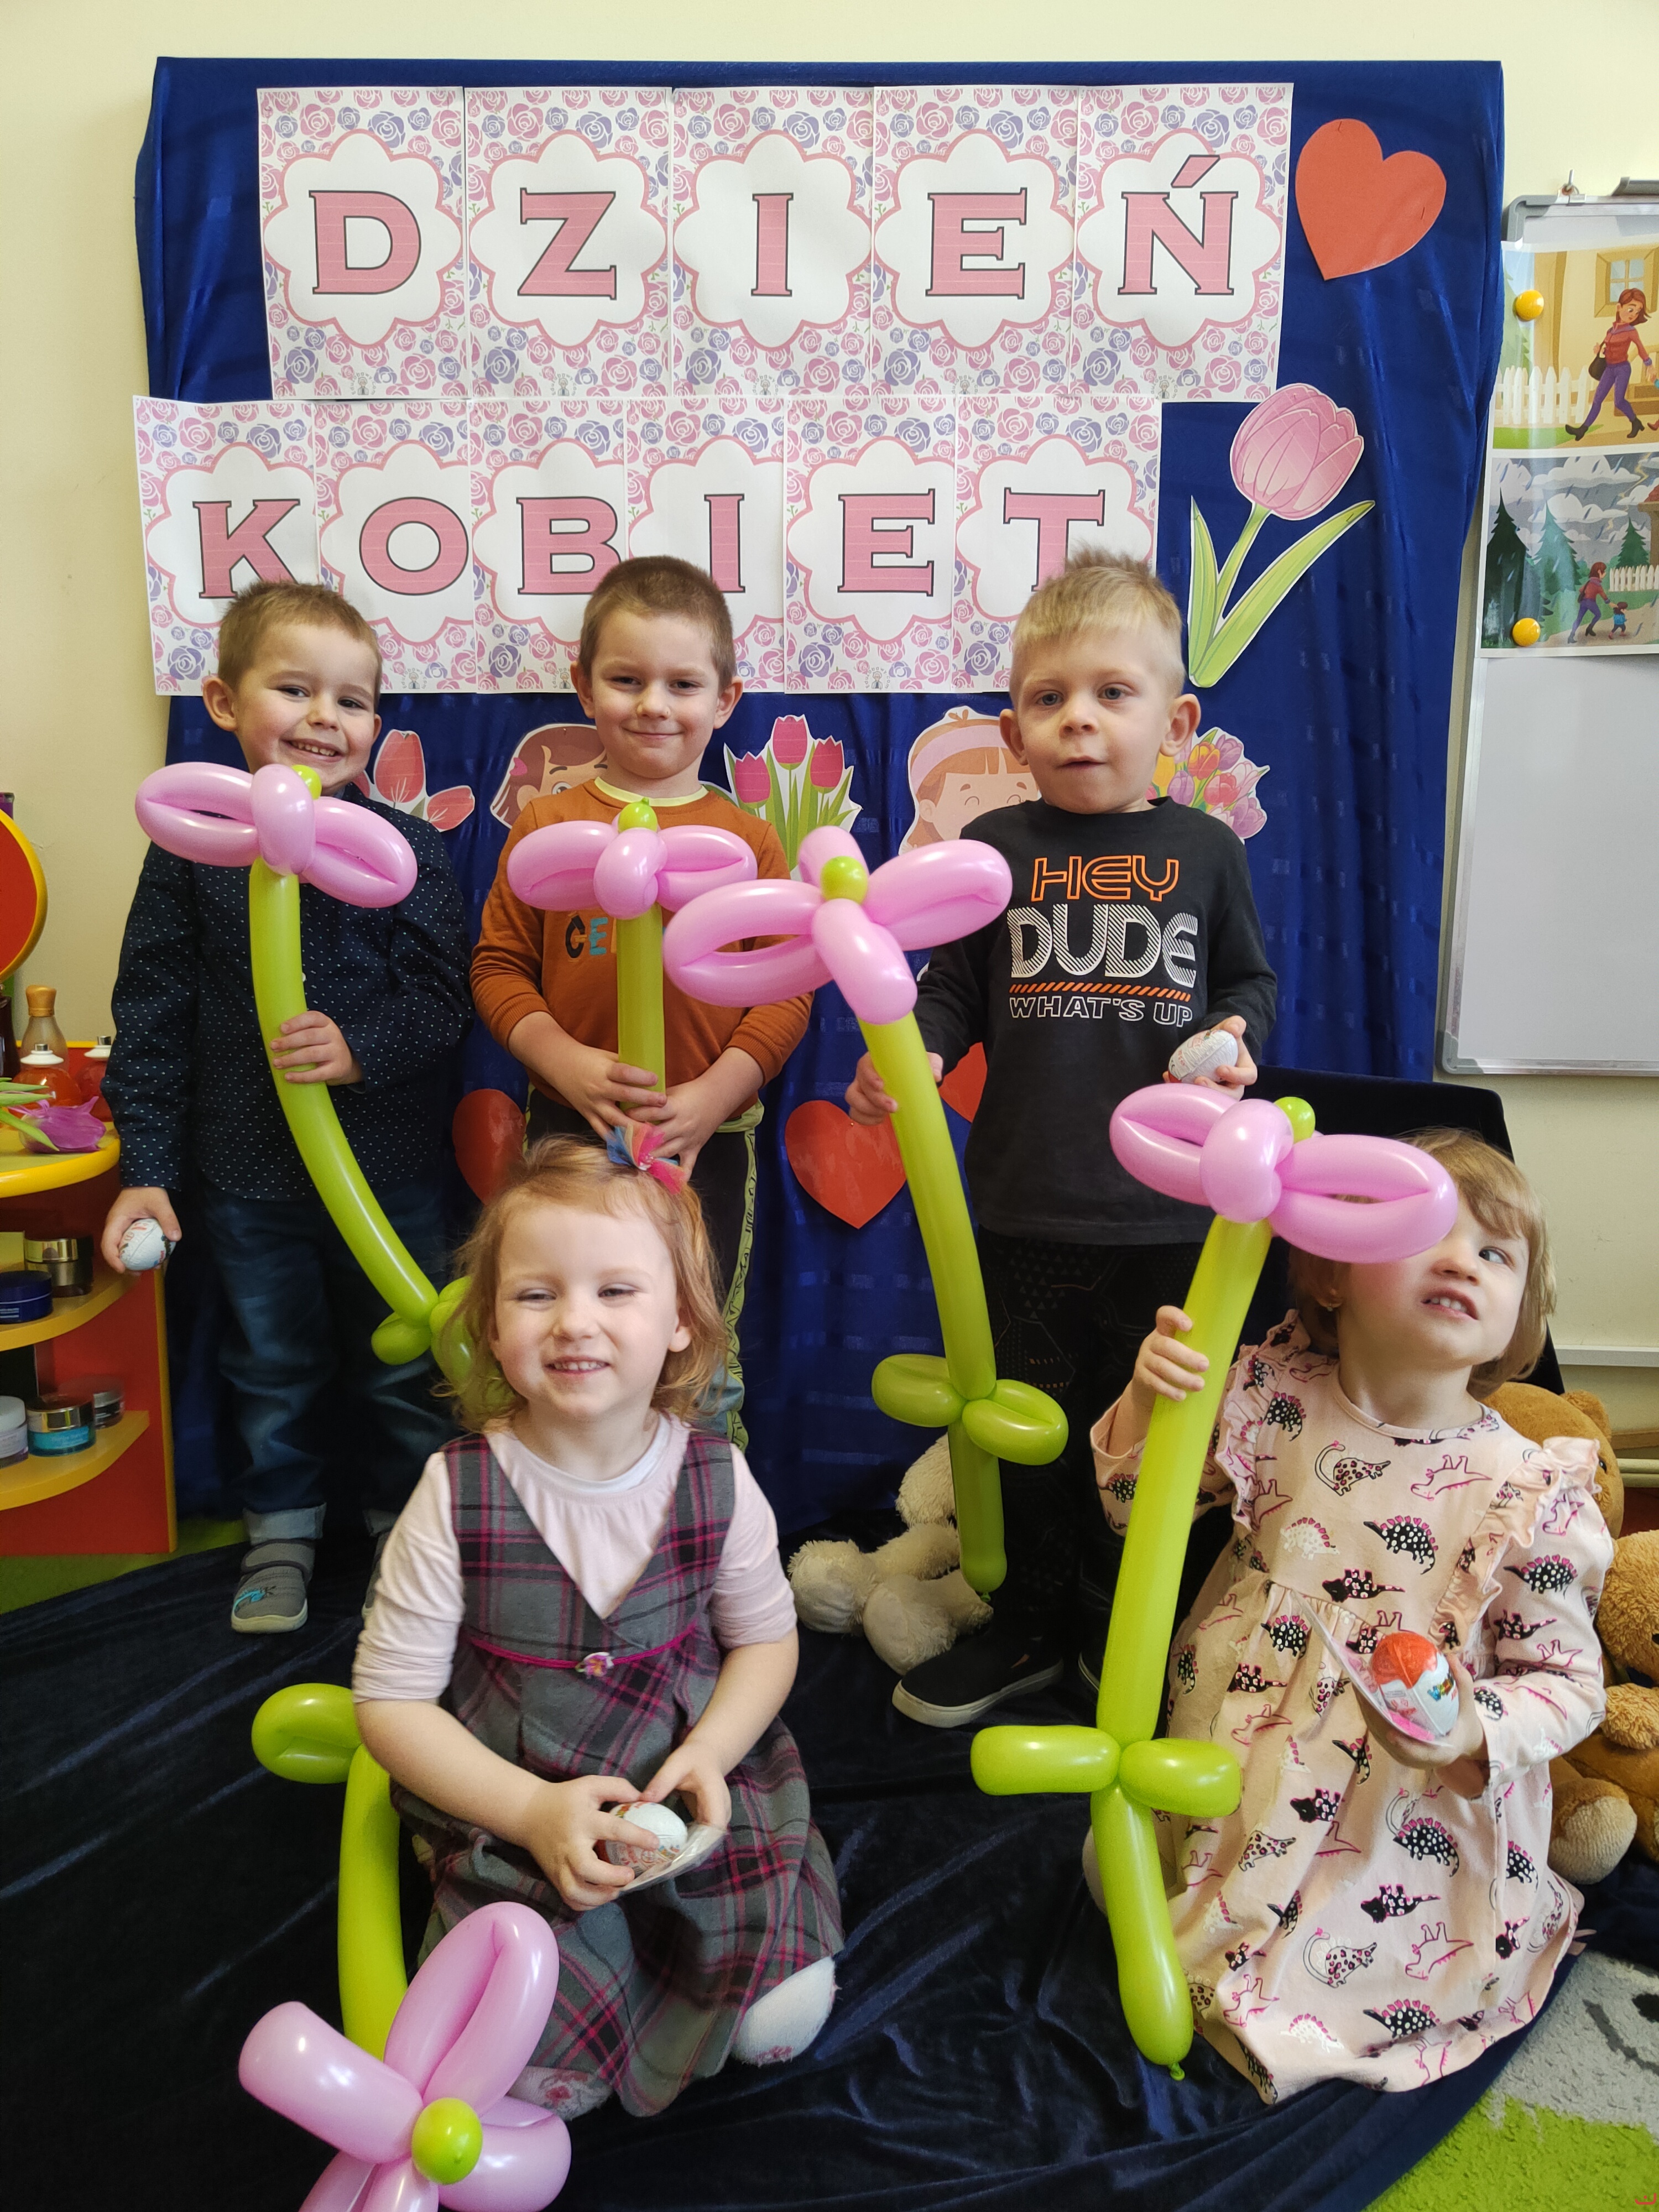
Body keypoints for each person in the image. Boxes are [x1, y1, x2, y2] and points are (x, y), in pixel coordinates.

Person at [1091, 1129, 1611, 2103]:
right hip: (1234, 1755)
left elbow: (1571, 1683)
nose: (1462, 1261)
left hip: (1400, 1806)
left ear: (1516, 1323)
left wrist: (1469, 1729)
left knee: (1338, 1975)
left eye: (1495, 1254)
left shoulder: (1526, 1489)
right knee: (1146, 1890)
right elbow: (1131, 1509)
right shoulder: (1268, 1394)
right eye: (1427, 1233)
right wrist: (1149, 1396)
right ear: (1333, 1274)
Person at [847, 550, 1276, 1725]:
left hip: (1170, 1219)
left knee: (1151, 1442)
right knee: (1030, 1431)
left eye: (1112, 692)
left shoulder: (1208, 851)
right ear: (1015, 729)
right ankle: (1033, 1618)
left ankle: (1124, 1624)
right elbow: (949, 989)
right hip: (1023, 1208)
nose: (1079, 718)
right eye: (1050, 697)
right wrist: (913, 1055)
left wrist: (1234, 1031)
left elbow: (1249, 980)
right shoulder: (995, 848)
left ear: (1174, 722)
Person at [353, 1135, 842, 2119]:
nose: (575, 1321)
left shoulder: (717, 1476)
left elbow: (765, 1642)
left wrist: (711, 1753)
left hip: (681, 1780)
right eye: (537, 1295)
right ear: (493, 1328)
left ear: (680, 1322)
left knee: (774, 2002)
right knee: (538, 2056)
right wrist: (530, 1813)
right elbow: (391, 1705)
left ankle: (727, 1969)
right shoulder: (455, 1491)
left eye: (616, 1291)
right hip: (519, 1797)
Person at [101, 580, 471, 1634]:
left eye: (352, 701)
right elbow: (153, 1014)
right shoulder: (189, 851)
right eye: (295, 690)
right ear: (224, 702)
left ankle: (409, 1536)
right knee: (272, 1365)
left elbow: (445, 1001)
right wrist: (148, 1170)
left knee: (407, 1362)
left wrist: (363, 1048)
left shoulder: (409, 851)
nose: (324, 718)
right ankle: (281, 1535)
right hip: (245, 1174)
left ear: (377, 724)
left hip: (387, 1172)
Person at [472, 556, 810, 1443]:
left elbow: (785, 993)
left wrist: (712, 1097)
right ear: (585, 686)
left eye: (682, 684)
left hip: (709, 1140)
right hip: (568, 1131)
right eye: (628, 680)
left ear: (726, 699)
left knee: (699, 1349)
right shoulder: (546, 827)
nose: (654, 704)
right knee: (567, 1337)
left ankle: (707, 1512)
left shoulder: (748, 841)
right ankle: (568, 1496)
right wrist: (567, 1064)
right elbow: (499, 969)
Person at [1565, 286, 1652, 441]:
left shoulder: (1631, 331)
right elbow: (1607, 347)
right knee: (1597, 399)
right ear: (1619, 308)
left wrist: (1649, 365)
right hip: (1610, 368)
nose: (1634, 314)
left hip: (1622, 369)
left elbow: (1640, 348)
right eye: (1631, 309)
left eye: (1638, 311)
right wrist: (1600, 350)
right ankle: (1582, 430)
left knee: (1619, 401)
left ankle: (1635, 421)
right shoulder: (1611, 330)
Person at [1567, 561, 1609, 641]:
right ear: (1599, 572)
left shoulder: (1589, 582)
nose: (1605, 573)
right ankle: (1589, 628)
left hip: (1583, 602)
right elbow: (1603, 595)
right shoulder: (1598, 585)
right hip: (1591, 602)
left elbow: (1581, 590)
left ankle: (1571, 636)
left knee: (1579, 619)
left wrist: (1587, 594)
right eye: (1604, 572)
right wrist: (1608, 601)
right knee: (1598, 615)